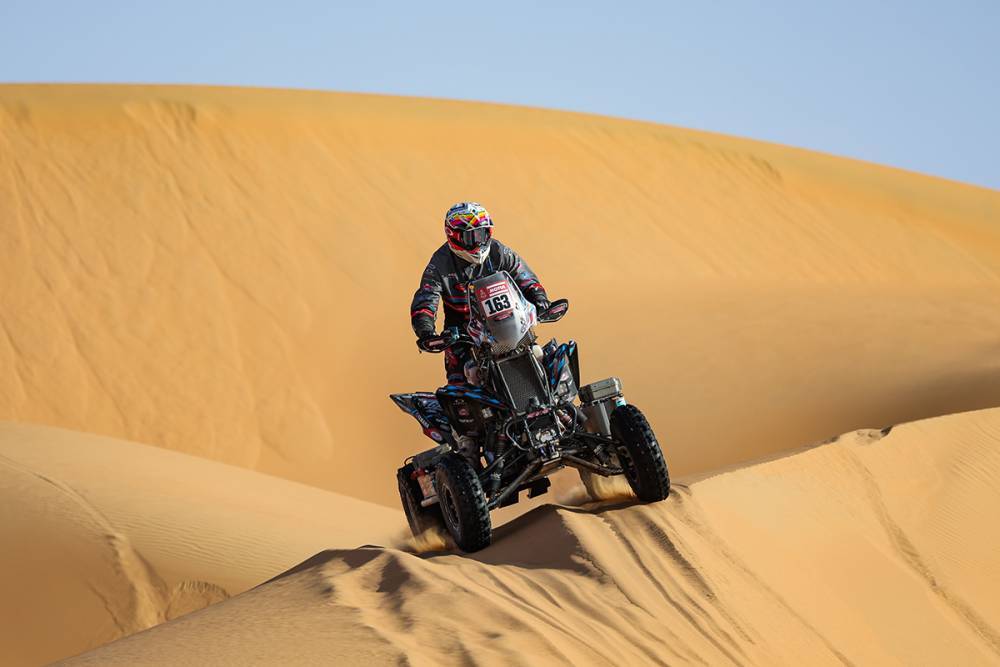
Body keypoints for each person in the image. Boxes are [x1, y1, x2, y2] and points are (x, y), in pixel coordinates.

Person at [410, 202, 550, 384]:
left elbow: (524, 276)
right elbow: (426, 300)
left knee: (548, 361)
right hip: (463, 332)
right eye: (471, 236)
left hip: (510, 323)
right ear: (454, 236)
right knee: (460, 384)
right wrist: (426, 331)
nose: (479, 241)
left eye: (482, 234)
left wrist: (540, 299)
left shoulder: (499, 251)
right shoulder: (439, 264)